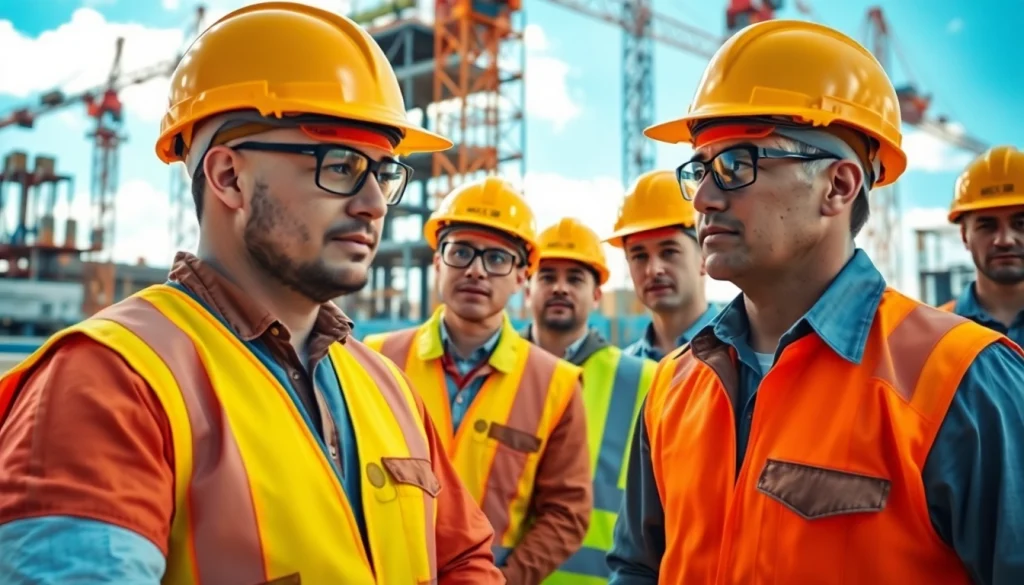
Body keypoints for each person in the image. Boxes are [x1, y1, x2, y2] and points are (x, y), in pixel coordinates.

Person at [0, 4, 503, 584]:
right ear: (228, 178)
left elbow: (464, 560)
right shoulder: (109, 380)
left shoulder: (386, 385)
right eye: (340, 165)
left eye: (383, 172)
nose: (373, 204)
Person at [608, 19, 1024, 585]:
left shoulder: (961, 382)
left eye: (734, 165)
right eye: (700, 170)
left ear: (839, 186)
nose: (703, 198)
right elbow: (638, 567)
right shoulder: (673, 387)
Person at [364, 177, 592, 585]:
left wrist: (502, 580)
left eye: (497, 259)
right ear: (437, 263)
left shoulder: (557, 383)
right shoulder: (375, 357)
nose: (475, 270)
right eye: (461, 252)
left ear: (522, 277)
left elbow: (567, 513)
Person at [520, 218, 656, 584]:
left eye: (575, 279)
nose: (560, 288)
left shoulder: (645, 379)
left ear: (597, 295)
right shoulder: (496, 371)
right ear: (526, 289)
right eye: (547, 276)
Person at [604, 170, 719, 361]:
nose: (653, 269)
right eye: (640, 256)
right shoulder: (622, 372)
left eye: (669, 252)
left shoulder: (747, 354)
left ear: (705, 257)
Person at [938, 145, 1024, 345]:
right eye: (987, 226)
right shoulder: (935, 334)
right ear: (964, 236)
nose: (1004, 240)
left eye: (1021, 224)